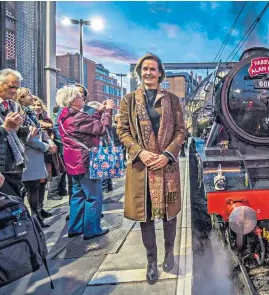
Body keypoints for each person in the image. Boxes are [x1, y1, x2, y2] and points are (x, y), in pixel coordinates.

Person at [117, 53, 186, 285]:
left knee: (169, 214)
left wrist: (167, 155)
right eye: (145, 69)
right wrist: (140, 152)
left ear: (160, 73)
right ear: (140, 72)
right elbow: (123, 132)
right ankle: (151, 261)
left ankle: (168, 254)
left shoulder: (173, 100)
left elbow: (180, 131)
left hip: (167, 168)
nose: (148, 72)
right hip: (141, 169)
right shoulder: (128, 100)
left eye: (153, 69)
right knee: (145, 217)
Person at [57, 85, 114, 239]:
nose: (82, 98)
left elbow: (89, 125)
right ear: (71, 100)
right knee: (94, 195)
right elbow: (101, 129)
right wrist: (108, 111)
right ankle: (92, 229)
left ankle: (75, 227)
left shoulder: (64, 115)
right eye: (78, 96)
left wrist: (98, 111)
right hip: (86, 160)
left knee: (78, 194)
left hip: (73, 161)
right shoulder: (78, 118)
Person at [16, 87, 57, 227]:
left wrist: (49, 142)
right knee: (30, 189)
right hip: (29, 155)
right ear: (21, 98)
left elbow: (39, 131)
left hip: (36, 155)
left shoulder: (30, 113)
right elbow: (27, 138)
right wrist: (46, 147)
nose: (32, 97)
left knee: (36, 187)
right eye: (28, 95)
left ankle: (36, 217)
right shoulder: (20, 113)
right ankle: (33, 220)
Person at [0, 69, 29, 198]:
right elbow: (5, 130)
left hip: (14, 162)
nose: (14, 91)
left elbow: (16, 135)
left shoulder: (13, 105)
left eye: (17, 87)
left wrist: (22, 129)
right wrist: (6, 127)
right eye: (11, 87)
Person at [34, 96, 66, 205]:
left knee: (45, 178)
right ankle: (36, 210)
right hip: (35, 152)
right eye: (34, 105)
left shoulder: (46, 119)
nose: (37, 107)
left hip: (49, 150)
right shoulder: (26, 118)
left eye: (39, 105)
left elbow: (51, 131)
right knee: (34, 183)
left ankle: (40, 207)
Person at [47, 105, 69, 200]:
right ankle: (52, 192)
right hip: (56, 148)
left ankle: (62, 189)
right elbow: (56, 132)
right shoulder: (54, 119)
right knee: (58, 170)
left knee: (63, 170)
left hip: (59, 147)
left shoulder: (50, 119)